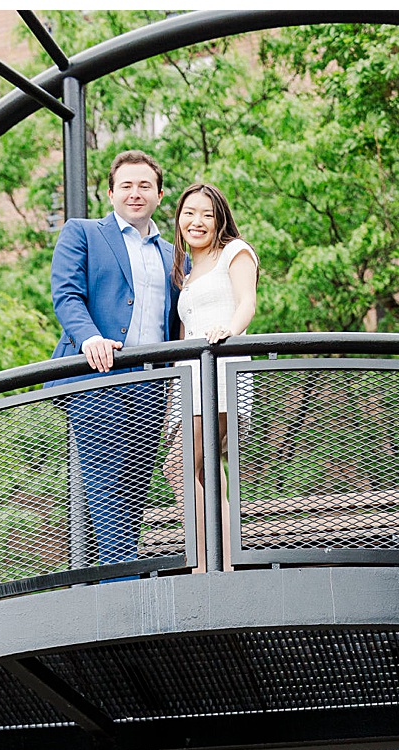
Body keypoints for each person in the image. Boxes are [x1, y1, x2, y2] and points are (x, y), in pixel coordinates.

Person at [48, 150, 185, 568]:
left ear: (160, 195)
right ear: (110, 192)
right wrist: (90, 338)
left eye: (145, 185)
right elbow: (66, 294)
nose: (135, 193)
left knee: (133, 495)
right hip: (98, 379)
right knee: (106, 491)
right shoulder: (84, 233)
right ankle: (124, 593)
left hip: (152, 387)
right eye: (126, 185)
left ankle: (119, 585)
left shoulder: (172, 255)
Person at [166, 181, 259, 554]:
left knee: (177, 467)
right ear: (179, 220)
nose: (197, 221)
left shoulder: (235, 251)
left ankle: (207, 561)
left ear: (219, 218)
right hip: (190, 383)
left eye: (207, 213)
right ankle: (225, 563)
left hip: (220, 372)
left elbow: (246, 303)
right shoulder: (187, 274)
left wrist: (228, 331)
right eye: (189, 213)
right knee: (205, 473)